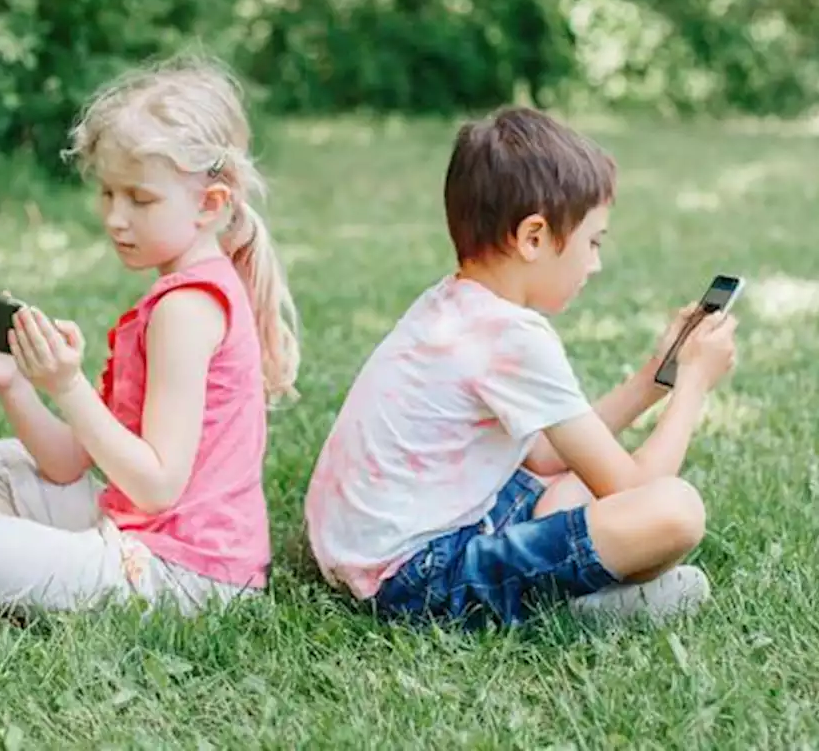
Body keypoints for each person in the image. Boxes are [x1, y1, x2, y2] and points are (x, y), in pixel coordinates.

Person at [0, 55, 299, 639]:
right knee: (0, 464)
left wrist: (69, 386)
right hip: (146, 547)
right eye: (107, 193)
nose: (116, 217)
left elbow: (157, 487)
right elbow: (67, 463)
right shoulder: (173, 297)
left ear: (209, 204)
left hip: (182, 582)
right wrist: (16, 383)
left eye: (140, 198)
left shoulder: (185, 310)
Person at [303, 105, 738, 629]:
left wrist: (654, 378)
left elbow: (548, 455)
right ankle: (574, 612)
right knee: (675, 510)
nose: (595, 263)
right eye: (592, 241)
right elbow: (634, 488)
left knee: (569, 483)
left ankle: (576, 594)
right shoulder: (512, 337)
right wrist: (692, 384)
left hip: (373, 552)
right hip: (414, 579)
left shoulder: (454, 305)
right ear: (533, 237)